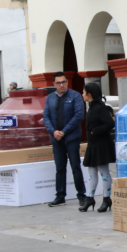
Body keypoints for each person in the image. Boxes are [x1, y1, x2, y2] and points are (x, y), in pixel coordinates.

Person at [43, 72, 86, 207]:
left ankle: (82, 196)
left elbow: (79, 116)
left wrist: (64, 131)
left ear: (67, 82)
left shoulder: (75, 96)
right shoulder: (50, 98)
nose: (61, 85)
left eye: (63, 82)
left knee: (75, 167)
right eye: (58, 83)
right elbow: (46, 116)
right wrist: (53, 132)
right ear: (53, 84)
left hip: (71, 138)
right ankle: (60, 196)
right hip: (57, 140)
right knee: (60, 168)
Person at [81, 82, 115, 213]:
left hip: (101, 145)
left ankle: (107, 198)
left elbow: (109, 123)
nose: (82, 94)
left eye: (84, 92)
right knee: (91, 172)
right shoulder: (92, 106)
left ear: (89, 94)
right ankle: (89, 198)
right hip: (93, 144)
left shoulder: (100, 107)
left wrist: (95, 131)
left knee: (104, 172)